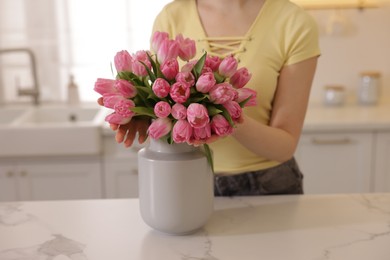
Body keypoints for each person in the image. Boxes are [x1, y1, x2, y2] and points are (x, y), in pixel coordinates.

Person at [98, 0, 320, 196]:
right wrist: (143, 111)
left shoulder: (294, 22)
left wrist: (228, 116)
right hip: (185, 179)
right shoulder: (172, 16)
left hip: (269, 186)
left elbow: (285, 145)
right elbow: (163, 99)